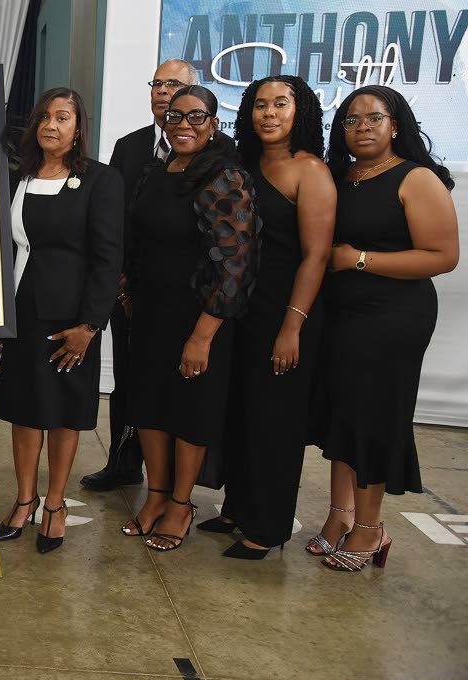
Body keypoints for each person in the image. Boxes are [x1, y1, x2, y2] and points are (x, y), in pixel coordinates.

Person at [307, 85, 458, 572]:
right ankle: (339, 516)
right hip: (341, 316)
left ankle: (370, 530)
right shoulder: (341, 175)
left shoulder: (416, 179)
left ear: (396, 124)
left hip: (392, 317)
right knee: (343, 414)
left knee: (372, 417)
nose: (363, 127)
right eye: (351, 120)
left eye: (374, 118)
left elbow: (443, 256)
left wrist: (361, 260)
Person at [200, 76, 335, 559]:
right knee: (239, 413)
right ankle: (237, 507)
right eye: (260, 105)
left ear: (301, 112)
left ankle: (268, 527)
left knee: (274, 422)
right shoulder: (244, 165)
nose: (270, 114)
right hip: (243, 311)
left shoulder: (310, 171)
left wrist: (292, 326)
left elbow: (316, 257)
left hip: (286, 313)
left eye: (281, 104)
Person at [122, 85, 259, 552]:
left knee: (190, 412)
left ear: (214, 123)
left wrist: (202, 336)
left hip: (199, 317)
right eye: (175, 116)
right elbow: (138, 240)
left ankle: (182, 503)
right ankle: (156, 494)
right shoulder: (156, 170)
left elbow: (235, 265)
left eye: (196, 117)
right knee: (149, 406)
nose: (183, 125)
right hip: (151, 312)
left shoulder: (225, 177)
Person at [0, 88, 123, 554]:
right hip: (22, 313)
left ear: (78, 126)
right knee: (24, 410)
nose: (51, 124)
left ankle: (55, 504)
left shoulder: (100, 180)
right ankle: (24, 500)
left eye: (62, 117)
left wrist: (90, 326)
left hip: (71, 322)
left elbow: (109, 260)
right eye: (44, 115)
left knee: (64, 414)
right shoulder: (18, 176)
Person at [81, 58, 200, 492]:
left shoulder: (208, 147)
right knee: (129, 377)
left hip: (182, 293)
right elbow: (113, 218)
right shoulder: (129, 146)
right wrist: (119, 280)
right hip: (127, 287)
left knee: (176, 384)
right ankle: (123, 462)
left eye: (173, 84)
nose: (162, 91)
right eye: (157, 83)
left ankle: (172, 483)